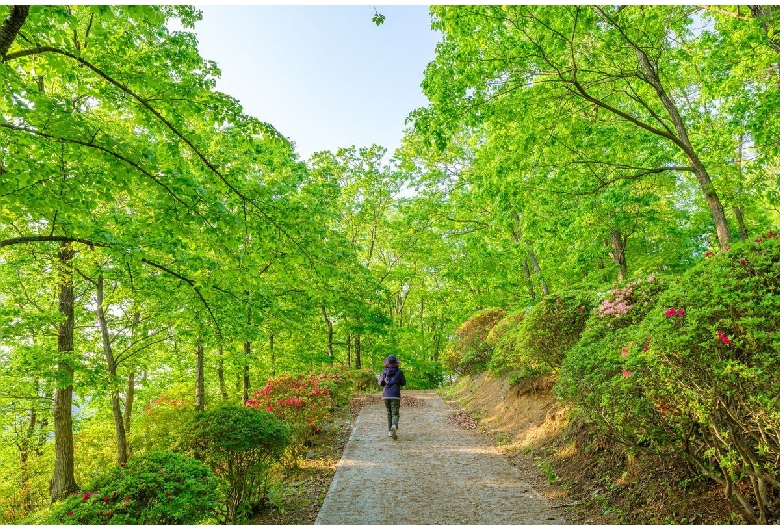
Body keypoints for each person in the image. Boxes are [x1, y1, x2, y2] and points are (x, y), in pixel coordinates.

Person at [378, 354, 406, 440]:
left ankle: (390, 432)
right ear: (396, 363)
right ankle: (394, 426)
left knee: (389, 413)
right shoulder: (399, 372)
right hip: (395, 395)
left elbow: (380, 383)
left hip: (386, 395)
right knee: (395, 413)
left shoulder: (384, 371)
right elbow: (403, 383)